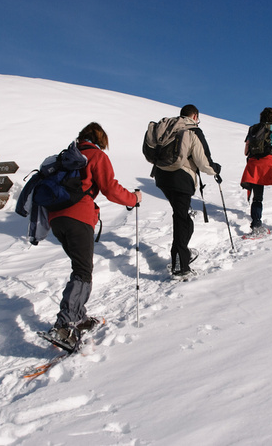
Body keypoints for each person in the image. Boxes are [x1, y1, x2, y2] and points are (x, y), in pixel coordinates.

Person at [48, 122, 141, 348]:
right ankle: (65, 324)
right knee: (82, 271)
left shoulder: (65, 157)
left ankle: (77, 316)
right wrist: (134, 198)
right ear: (100, 140)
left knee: (80, 267)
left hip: (56, 218)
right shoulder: (96, 156)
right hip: (78, 217)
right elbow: (110, 188)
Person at [150, 104, 221, 278]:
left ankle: (181, 255)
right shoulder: (193, 130)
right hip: (181, 179)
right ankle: (181, 265)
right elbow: (203, 161)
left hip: (161, 177)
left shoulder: (169, 127)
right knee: (182, 219)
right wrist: (216, 169)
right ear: (195, 116)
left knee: (181, 216)